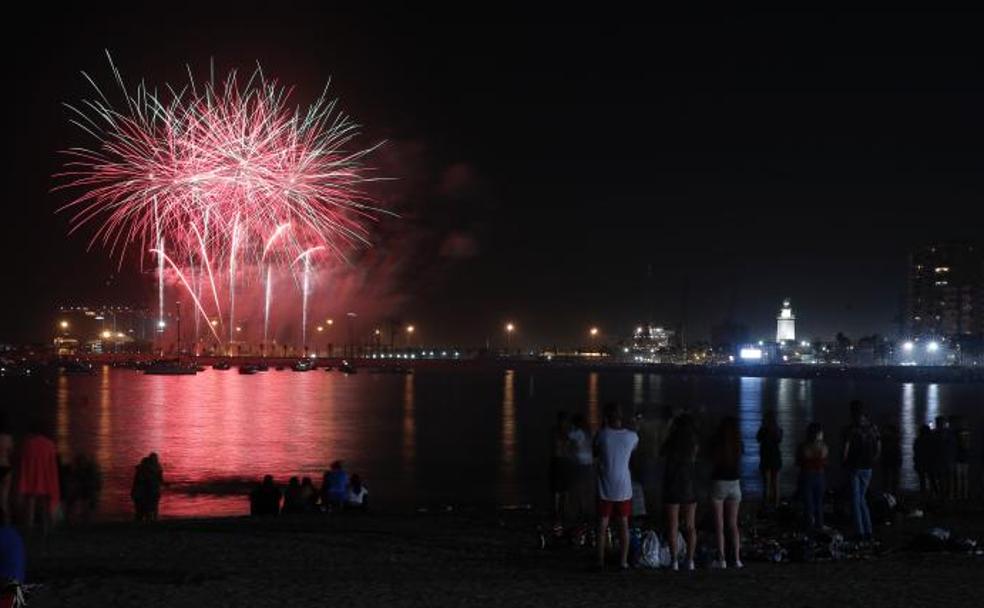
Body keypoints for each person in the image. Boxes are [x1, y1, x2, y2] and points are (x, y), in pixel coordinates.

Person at [593, 402, 638, 570]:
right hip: (623, 487)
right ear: (621, 417)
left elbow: (595, 452)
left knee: (602, 525)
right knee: (623, 525)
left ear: (606, 417)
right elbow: (633, 449)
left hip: (605, 486)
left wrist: (602, 427)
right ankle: (623, 561)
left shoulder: (602, 435)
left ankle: (600, 560)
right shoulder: (631, 436)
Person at [661, 413, 698, 571]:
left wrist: (669, 429)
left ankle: (674, 561)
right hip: (688, 485)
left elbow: (661, 453)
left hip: (672, 485)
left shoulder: (671, 441)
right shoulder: (693, 443)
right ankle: (690, 560)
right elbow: (694, 459)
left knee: (673, 526)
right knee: (690, 526)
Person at [708, 416, 743, 569]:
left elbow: (710, 459)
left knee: (719, 525)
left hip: (719, 482)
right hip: (735, 483)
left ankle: (721, 559)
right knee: (733, 524)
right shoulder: (738, 443)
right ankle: (737, 559)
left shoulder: (717, 442)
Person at [842, 402, 880, 541]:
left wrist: (843, 461)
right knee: (862, 498)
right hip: (868, 466)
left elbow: (846, 447)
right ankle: (868, 530)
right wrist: (874, 459)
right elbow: (878, 445)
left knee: (855, 500)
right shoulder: (873, 427)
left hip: (854, 465)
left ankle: (860, 532)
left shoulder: (851, 429)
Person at [16, 422, 60, 533]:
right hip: (45, 478)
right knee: (45, 505)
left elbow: (23, 462)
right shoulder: (50, 444)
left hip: (31, 478)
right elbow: (52, 465)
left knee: (30, 504)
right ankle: (46, 529)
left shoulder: (28, 444)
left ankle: (29, 528)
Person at [796, 422, 828, 529]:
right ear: (819, 433)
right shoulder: (824, 447)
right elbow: (824, 462)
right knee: (819, 503)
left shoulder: (803, 447)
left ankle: (809, 527)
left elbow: (798, 462)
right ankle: (819, 525)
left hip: (806, 475)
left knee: (808, 504)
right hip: (820, 475)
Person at [567, 413, 594, 523]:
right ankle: (587, 510)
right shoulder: (588, 432)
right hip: (589, 462)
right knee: (587, 488)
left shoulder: (577, 433)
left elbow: (568, 439)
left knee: (579, 488)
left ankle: (581, 511)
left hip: (580, 463)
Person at [549, 411, 574, 524]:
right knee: (563, 489)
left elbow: (555, 446)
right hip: (562, 461)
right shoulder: (567, 432)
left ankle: (558, 512)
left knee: (558, 489)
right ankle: (563, 511)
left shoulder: (555, 431)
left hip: (558, 461)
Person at [756, 410, 783, 510]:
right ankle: (776, 505)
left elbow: (758, 439)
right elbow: (779, 440)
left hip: (766, 459)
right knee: (776, 483)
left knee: (766, 484)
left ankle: (766, 504)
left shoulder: (763, 430)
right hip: (776, 458)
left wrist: (763, 428)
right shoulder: (778, 430)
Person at [130, 453, 163, 522]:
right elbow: (158, 480)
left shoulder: (142, 470)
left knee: (142, 510)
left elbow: (138, 483)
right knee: (148, 509)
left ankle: (148, 521)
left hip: (143, 493)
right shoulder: (153, 470)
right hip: (147, 492)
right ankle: (152, 520)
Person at [932, 416, 956, 499]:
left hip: (941, 459)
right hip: (947, 459)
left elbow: (934, 448)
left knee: (941, 478)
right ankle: (948, 495)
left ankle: (942, 495)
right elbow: (953, 446)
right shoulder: (950, 433)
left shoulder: (935, 434)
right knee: (948, 478)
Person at [880, 423, 902, 497]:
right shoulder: (896, 438)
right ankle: (894, 492)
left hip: (888, 459)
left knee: (887, 477)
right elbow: (898, 450)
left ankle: (886, 492)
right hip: (894, 459)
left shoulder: (885, 438)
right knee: (894, 477)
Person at [953, 417, 971, 500]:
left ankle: (960, 495)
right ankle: (965, 495)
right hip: (964, 458)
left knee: (959, 478)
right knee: (964, 478)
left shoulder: (956, 433)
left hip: (958, 458)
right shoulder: (967, 433)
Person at [913, 424, 933, 498]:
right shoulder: (931, 440)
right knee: (931, 478)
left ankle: (923, 492)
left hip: (920, 462)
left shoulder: (918, 440)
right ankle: (932, 492)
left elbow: (915, 450)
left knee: (922, 479)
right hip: (929, 462)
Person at [0, 414, 13, 525]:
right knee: (4, 498)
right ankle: (6, 523)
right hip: (6, 466)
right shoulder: (8, 437)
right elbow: (11, 451)